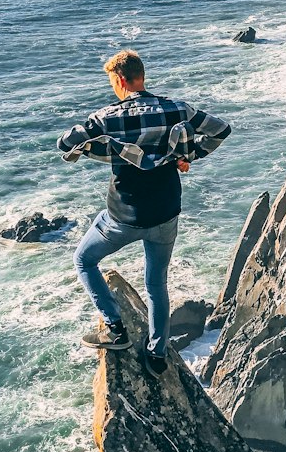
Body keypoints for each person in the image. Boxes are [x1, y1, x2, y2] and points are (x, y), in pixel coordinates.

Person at [58, 49, 231, 378]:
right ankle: (157, 354)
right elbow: (221, 130)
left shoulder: (106, 117)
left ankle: (115, 330)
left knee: (84, 260)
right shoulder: (176, 108)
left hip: (123, 218)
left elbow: (66, 144)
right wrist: (188, 154)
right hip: (166, 213)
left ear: (120, 80)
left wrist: (95, 148)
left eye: (113, 82)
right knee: (156, 285)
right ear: (141, 76)